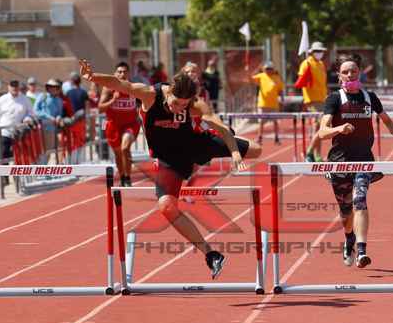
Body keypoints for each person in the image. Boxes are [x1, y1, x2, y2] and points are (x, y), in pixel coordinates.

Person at [79, 58, 262, 279]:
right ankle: (211, 254)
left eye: (184, 105)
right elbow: (120, 84)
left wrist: (234, 153)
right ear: (170, 92)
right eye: (176, 103)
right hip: (169, 159)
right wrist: (93, 77)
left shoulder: (194, 104)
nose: (179, 108)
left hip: (195, 144)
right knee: (166, 206)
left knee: (256, 150)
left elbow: (221, 126)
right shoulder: (150, 95)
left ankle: (217, 148)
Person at [318, 55, 393, 268]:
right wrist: (339, 128)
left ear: (359, 72)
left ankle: (362, 251)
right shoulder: (334, 99)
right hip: (339, 162)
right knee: (346, 211)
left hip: (364, 161)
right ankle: (349, 239)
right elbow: (322, 132)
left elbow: (388, 122)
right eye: (345, 72)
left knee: (359, 201)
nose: (350, 75)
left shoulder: (369, 97)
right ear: (339, 76)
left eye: (353, 71)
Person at [98, 62, 141, 186]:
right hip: (114, 125)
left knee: (125, 148)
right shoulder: (108, 88)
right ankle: (122, 177)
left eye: (125, 71)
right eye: (119, 72)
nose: (122, 74)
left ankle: (128, 178)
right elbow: (100, 108)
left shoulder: (133, 87)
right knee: (118, 154)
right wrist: (113, 100)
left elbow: (145, 101)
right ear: (115, 73)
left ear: (129, 73)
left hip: (130, 124)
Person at [296, 41, 328, 162]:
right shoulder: (306, 63)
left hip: (322, 99)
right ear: (312, 52)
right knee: (318, 125)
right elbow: (301, 80)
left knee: (320, 127)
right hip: (312, 100)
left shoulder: (321, 64)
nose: (319, 53)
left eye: (321, 51)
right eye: (317, 51)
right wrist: (306, 75)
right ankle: (310, 153)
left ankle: (316, 155)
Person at [0, 80, 35, 161]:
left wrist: (27, 119)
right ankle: (4, 169)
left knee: (20, 155)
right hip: (4, 131)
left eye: (16, 86)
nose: (14, 88)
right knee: (4, 154)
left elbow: (31, 113)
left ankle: (17, 169)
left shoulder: (25, 99)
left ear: (19, 87)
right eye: (12, 86)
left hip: (19, 132)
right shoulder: (2, 99)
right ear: (8, 87)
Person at [251, 61, 284, 144]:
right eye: (267, 69)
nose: (268, 70)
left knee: (275, 121)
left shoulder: (277, 78)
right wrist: (255, 70)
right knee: (261, 122)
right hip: (263, 104)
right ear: (264, 69)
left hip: (274, 104)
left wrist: (282, 99)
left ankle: (276, 138)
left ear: (273, 69)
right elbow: (250, 79)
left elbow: (281, 90)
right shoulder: (261, 76)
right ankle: (259, 138)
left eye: (270, 68)